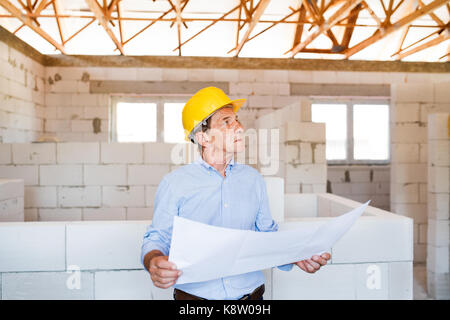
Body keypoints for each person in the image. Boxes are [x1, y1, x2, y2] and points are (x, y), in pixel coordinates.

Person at [141, 86, 331, 300]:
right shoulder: (175, 184)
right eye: (226, 122)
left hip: (251, 298)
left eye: (237, 120)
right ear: (204, 138)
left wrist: (295, 256)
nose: (240, 127)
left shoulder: (253, 180)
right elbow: (157, 238)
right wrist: (154, 260)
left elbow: (266, 237)